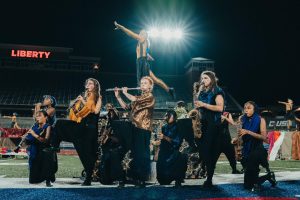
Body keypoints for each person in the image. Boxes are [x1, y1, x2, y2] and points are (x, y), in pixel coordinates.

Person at [52, 78, 102, 186]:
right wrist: (75, 103)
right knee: (60, 124)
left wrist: (84, 101)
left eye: (90, 83)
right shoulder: (84, 97)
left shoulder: (98, 97)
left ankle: (88, 178)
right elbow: (75, 114)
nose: (87, 84)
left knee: (85, 154)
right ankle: (55, 146)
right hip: (80, 126)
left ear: (95, 86)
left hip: (89, 129)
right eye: (87, 83)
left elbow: (95, 110)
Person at [114, 21, 174, 97]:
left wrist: (121, 27)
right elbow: (145, 53)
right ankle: (169, 89)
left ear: (145, 35)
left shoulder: (142, 39)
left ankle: (143, 97)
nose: (140, 34)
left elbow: (131, 34)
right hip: (142, 62)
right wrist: (148, 56)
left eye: (142, 33)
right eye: (140, 33)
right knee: (155, 80)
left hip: (142, 62)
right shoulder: (142, 42)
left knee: (142, 82)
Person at [114, 76, 155, 188]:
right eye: (141, 83)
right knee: (135, 154)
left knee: (142, 155)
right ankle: (134, 177)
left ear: (150, 86)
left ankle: (142, 179)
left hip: (144, 129)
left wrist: (125, 92)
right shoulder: (139, 97)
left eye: (145, 83)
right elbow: (127, 107)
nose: (142, 85)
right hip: (134, 128)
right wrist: (118, 97)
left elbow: (134, 99)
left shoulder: (150, 97)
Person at [193, 70, 224, 188]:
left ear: (212, 79)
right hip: (202, 123)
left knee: (208, 151)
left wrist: (203, 105)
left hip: (212, 123)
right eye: (202, 78)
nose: (203, 80)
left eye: (205, 78)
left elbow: (220, 108)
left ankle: (209, 178)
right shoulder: (202, 91)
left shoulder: (217, 91)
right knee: (204, 151)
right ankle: (208, 175)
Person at [239, 101, 277, 191]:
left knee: (250, 184)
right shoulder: (242, 119)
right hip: (247, 150)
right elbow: (241, 136)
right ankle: (268, 176)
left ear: (254, 109)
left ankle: (259, 179)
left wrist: (248, 132)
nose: (246, 110)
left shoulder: (261, 119)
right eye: (245, 108)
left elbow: (264, 138)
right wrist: (236, 140)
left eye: (249, 108)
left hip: (257, 150)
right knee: (247, 185)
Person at [156, 110, 188, 188]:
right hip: (164, 151)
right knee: (162, 181)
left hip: (173, 151)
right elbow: (161, 142)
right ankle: (165, 178)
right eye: (166, 116)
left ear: (173, 117)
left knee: (181, 157)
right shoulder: (164, 127)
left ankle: (178, 180)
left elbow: (177, 142)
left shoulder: (178, 127)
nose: (165, 117)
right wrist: (157, 152)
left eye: (167, 116)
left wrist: (164, 137)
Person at [26, 110, 57, 187]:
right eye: (37, 116)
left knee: (45, 155)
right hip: (36, 149)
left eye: (40, 115)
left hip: (45, 149)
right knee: (33, 181)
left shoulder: (48, 126)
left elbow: (46, 141)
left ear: (45, 117)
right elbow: (29, 141)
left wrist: (34, 134)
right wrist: (26, 138)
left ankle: (48, 179)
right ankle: (39, 177)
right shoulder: (35, 126)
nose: (37, 117)